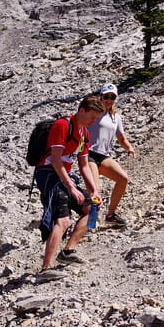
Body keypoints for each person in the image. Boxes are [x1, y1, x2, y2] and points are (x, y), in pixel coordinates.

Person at [34, 95, 104, 280]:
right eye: (92, 117)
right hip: (49, 173)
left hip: (65, 176)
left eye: (96, 118)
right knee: (63, 220)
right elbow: (56, 161)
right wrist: (71, 187)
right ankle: (46, 268)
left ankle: (68, 251)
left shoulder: (84, 134)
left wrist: (93, 189)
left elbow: (83, 165)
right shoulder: (63, 125)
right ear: (81, 111)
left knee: (92, 210)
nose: (93, 121)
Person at [87, 83, 136, 228]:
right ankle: (90, 223)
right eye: (106, 96)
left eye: (112, 97)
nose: (109, 100)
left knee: (123, 179)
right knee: (95, 189)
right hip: (89, 154)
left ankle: (110, 214)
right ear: (100, 97)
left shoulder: (116, 118)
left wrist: (129, 148)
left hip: (104, 156)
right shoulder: (94, 113)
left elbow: (121, 137)